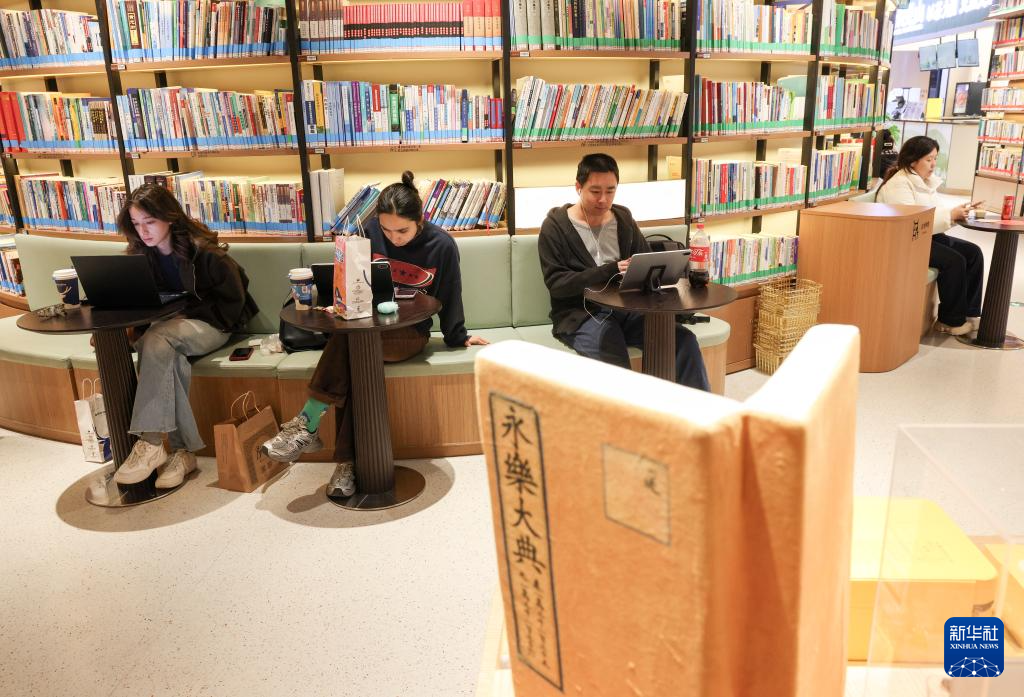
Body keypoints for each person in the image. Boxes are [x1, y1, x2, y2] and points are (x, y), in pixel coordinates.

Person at [260, 171, 489, 495]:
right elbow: (350, 280)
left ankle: (308, 424)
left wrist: (458, 335)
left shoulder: (442, 245)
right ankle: (346, 464)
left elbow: (451, 293)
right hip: (362, 326)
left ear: (420, 220)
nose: (394, 238)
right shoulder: (367, 232)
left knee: (350, 345)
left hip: (408, 333)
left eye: (402, 230)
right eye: (386, 230)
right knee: (355, 360)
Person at [113, 184, 259, 487]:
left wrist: (183, 314)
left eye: (150, 222)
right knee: (167, 354)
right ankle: (183, 453)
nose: (143, 231)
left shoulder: (205, 252)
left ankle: (151, 442)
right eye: (136, 224)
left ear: (169, 217)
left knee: (156, 340)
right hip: (167, 332)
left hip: (214, 325)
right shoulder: (140, 255)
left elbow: (234, 301)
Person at [538, 153, 709, 390]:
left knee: (683, 340)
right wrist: (610, 270)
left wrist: (662, 270)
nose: (603, 199)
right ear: (578, 187)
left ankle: (699, 410)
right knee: (613, 353)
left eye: (610, 191)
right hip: (582, 313)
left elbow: (645, 261)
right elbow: (557, 284)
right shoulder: (555, 227)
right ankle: (631, 413)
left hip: (628, 310)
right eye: (595, 191)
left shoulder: (623, 218)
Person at [873, 135, 984, 336]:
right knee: (954, 261)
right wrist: (950, 215)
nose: (933, 164)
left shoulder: (923, 181)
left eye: (935, 159)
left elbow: (934, 212)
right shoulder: (899, 185)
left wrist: (957, 212)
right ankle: (949, 321)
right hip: (905, 241)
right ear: (912, 160)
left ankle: (969, 312)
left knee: (973, 252)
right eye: (928, 159)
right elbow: (910, 223)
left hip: (923, 235)